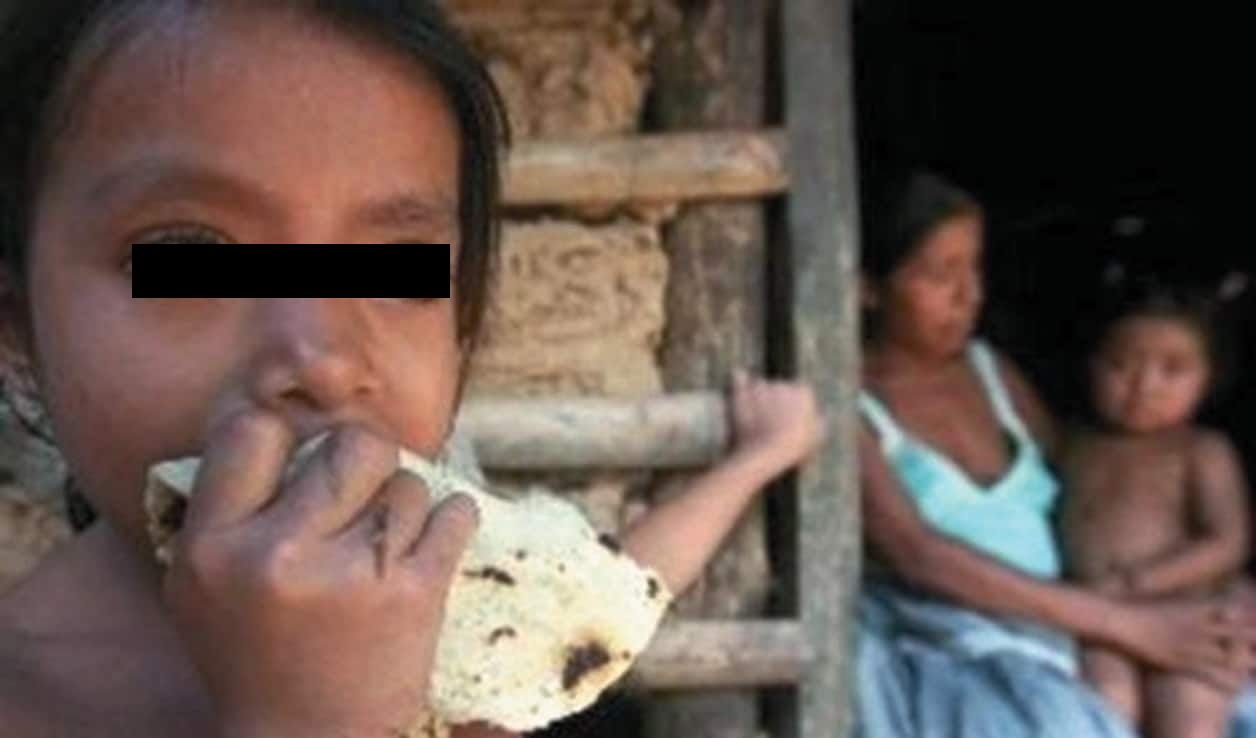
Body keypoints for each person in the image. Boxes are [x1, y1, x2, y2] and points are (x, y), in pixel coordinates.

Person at [0, 2, 823, 736]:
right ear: (17, 334)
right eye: (186, 255)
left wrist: (755, 459)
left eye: (398, 268)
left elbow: (615, 586)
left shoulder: (459, 603)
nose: (323, 359)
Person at [853, 171, 1256, 738]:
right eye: (942, 274)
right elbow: (919, 555)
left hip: (1081, 623)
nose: (970, 295)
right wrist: (1125, 622)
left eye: (975, 268)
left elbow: (1100, 494)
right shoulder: (848, 403)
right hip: (966, 647)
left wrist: (1217, 589)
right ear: (867, 288)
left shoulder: (991, 372)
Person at [1060, 266, 1251, 738]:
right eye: (1120, 365)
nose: (1144, 386)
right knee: (1104, 703)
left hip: (1187, 612)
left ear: (1209, 379)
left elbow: (1228, 541)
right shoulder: (1072, 443)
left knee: (1189, 712)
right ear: (1090, 364)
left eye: (1172, 370)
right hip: (1099, 620)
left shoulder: (1201, 449)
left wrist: (1138, 581)